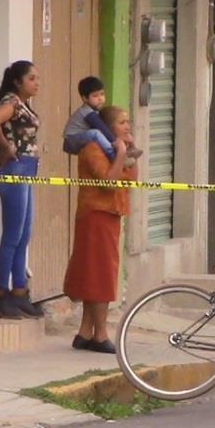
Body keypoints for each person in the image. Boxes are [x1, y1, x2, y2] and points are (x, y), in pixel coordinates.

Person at [63, 106, 137, 353]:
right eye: (122, 122)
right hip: (96, 214)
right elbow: (108, 182)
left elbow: (130, 179)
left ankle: (86, 331)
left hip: (111, 214)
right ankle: (100, 334)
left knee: (96, 272)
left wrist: (129, 154)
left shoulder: (115, 148)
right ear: (108, 127)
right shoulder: (93, 147)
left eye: (128, 122)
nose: (127, 126)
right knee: (99, 274)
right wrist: (119, 154)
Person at [0, 60, 43, 320]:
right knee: (12, 234)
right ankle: (2, 293)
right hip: (15, 171)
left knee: (24, 233)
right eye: (31, 78)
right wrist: (6, 146)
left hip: (27, 170)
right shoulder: (12, 102)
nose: (36, 83)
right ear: (18, 82)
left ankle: (20, 290)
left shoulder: (23, 104)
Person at [62, 76, 125, 160]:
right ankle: (115, 156)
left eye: (102, 94)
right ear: (85, 98)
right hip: (72, 140)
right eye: (95, 96)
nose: (100, 99)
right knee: (95, 133)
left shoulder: (95, 112)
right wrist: (116, 142)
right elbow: (102, 128)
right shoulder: (87, 112)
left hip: (79, 138)